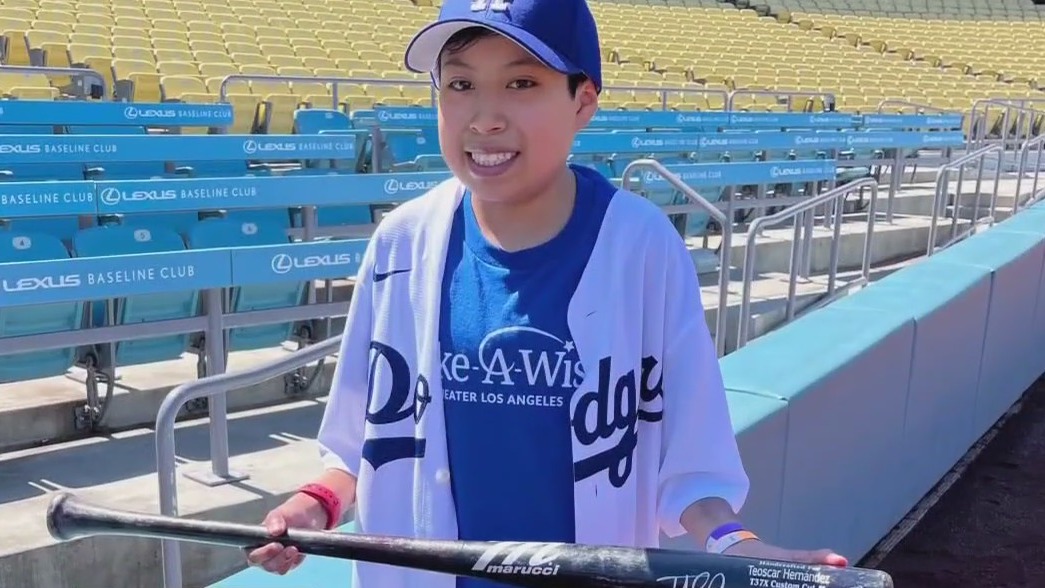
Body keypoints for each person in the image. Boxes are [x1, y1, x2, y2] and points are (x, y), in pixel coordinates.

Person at [246, 0, 848, 585]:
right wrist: (312, 506)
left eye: (522, 83)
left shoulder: (640, 245)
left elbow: (691, 461)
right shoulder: (401, 241)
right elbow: (358, 442)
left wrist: (739, 547)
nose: (484, 117)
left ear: (582, 101)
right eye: (459, 85)